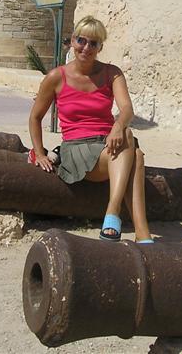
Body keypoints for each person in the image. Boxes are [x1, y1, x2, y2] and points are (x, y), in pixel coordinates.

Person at [29, 16, 153, 243]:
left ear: (100, 47)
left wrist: (117, 126)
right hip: (77, 149)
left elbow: (127, 109)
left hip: (109, 144)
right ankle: (125, 219)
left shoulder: (111, 73)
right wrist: (39, 153)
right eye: (81, 40)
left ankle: (129, 225)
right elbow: (35, 117)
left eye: (93, 43)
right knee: (135, 154)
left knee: (128, 138)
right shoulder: (56, 77)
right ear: (72, 41)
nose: (86, 47)